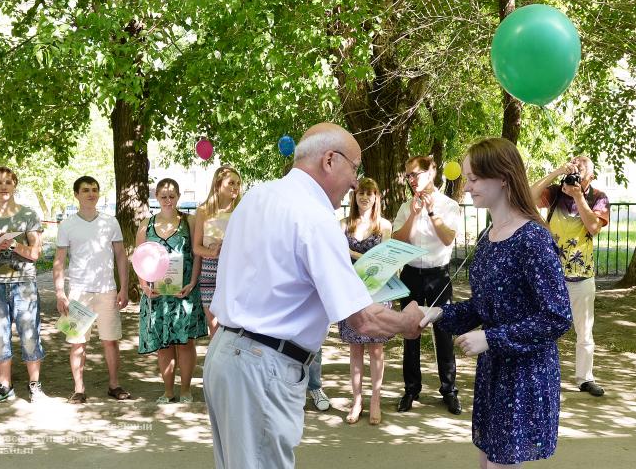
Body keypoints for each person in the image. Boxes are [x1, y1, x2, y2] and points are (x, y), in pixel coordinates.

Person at [203, 122, 424, 469]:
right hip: (264, 366)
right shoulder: (316, 217)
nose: (355, 183)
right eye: (355, 168)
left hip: (227, 356)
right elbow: (363, 319)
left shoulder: (258, 196)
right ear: (329, 160)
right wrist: (407, 322)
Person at [420, 138, 572, 468]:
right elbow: (483, 306)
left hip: (524, 373)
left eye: (474, 178)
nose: (467, 186)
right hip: (495, 370)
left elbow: (557, 316)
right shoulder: (488, 236)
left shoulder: (532, 237)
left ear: (502, 177)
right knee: (488, 461)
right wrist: (436, 313)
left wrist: (491, 338)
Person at [530, 156, 610, 397]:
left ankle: (585, 379)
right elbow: (529, 196)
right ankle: (540, 374)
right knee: (542, 326)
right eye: (574, 162)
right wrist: (556, 172)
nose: (576, 165)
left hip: (582, 275)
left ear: (591, 177)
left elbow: (594, 228)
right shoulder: (555, 192)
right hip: (551, 274)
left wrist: (578, 197)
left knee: (584, 331)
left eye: (582, 165)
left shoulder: (598, 197)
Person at [391, 155, 462, 415]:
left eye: (415, 174)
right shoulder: (405, 206)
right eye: (408, 175)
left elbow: (447, 239)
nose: (411, 179)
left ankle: (449, 390)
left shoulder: (449, 205)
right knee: (411, 332)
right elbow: (398, 240)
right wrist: (413, 214)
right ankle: (411, 389)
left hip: (438, 275)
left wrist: (431, 212)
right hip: (411, 274)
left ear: (431, 172)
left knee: (443, 332)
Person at [53, 176, 131, 404]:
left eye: (95, 190)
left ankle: (114, 385)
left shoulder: (111, 222)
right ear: (76, 194)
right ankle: (79, 389)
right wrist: (60, 292)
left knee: (111, 341)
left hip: (107, 290)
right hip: (78, 292)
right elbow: (59, 261)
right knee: (78, 343)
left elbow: (120, 257)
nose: (91, 194)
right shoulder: (67, 225)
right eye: (85, 190)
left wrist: (124, 288)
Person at [0, 167, 46, 403]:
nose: (3, 187)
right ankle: (5, 387)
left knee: (30, 335)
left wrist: (14, 245)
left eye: (8, 182)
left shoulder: (28, 215)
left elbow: (35, 253)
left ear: (15, 185)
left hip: (24, 284)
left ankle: (35, 386)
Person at [136, 178, 206, 403]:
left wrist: (193, 283)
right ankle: (168, 391)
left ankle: (186, 390)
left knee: (185, 342)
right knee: (164, 344)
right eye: (163, 196)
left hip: (184, 292)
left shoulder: (190, 221)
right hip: (157, 295)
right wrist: (144, 285)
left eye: (172, 196)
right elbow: (139, 258)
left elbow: (197, 255)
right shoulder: (146, 224)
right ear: (156, 196)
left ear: (178, 197)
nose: (168, 200)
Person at [338, 178, 393, 425]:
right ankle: (357, 400)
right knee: (355, 349)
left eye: (370, 192)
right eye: (361, 192)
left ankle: (376, 401)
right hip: (350, 293)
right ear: (355, 196)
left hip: (376, 293)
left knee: (377, 349)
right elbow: (336, 256)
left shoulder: (384, 226)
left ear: (376, 197)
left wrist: (351, 253)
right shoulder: (343, 225)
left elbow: (384, 261)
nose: (365, 196)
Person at [192, 166, 242, 337]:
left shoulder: (241, 212)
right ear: (218, 185)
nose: (236, 187)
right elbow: (196, 247)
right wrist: (211, 252)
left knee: (232, 328)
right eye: (231, 183)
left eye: (238, 183)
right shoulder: (203, 211)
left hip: (234, 271)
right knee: (214, 326)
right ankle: (214, 363)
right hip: (209, 270)